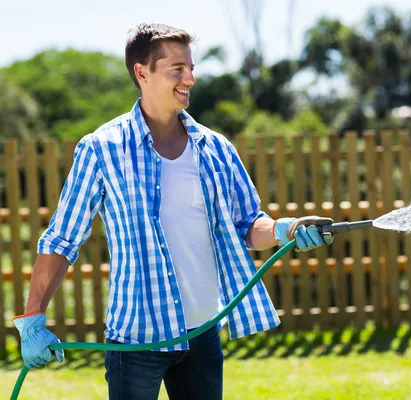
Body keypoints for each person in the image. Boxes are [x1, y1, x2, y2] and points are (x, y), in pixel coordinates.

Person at [13, 23, 334, 400]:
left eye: (191, 68)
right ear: (142, 73)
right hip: (135, 342)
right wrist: (33, 318)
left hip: (202, 334)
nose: (191, 79)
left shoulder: (215, 148)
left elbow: (247, 225)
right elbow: (63, 238)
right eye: (177, 69)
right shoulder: (102, 149)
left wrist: (287, 230)